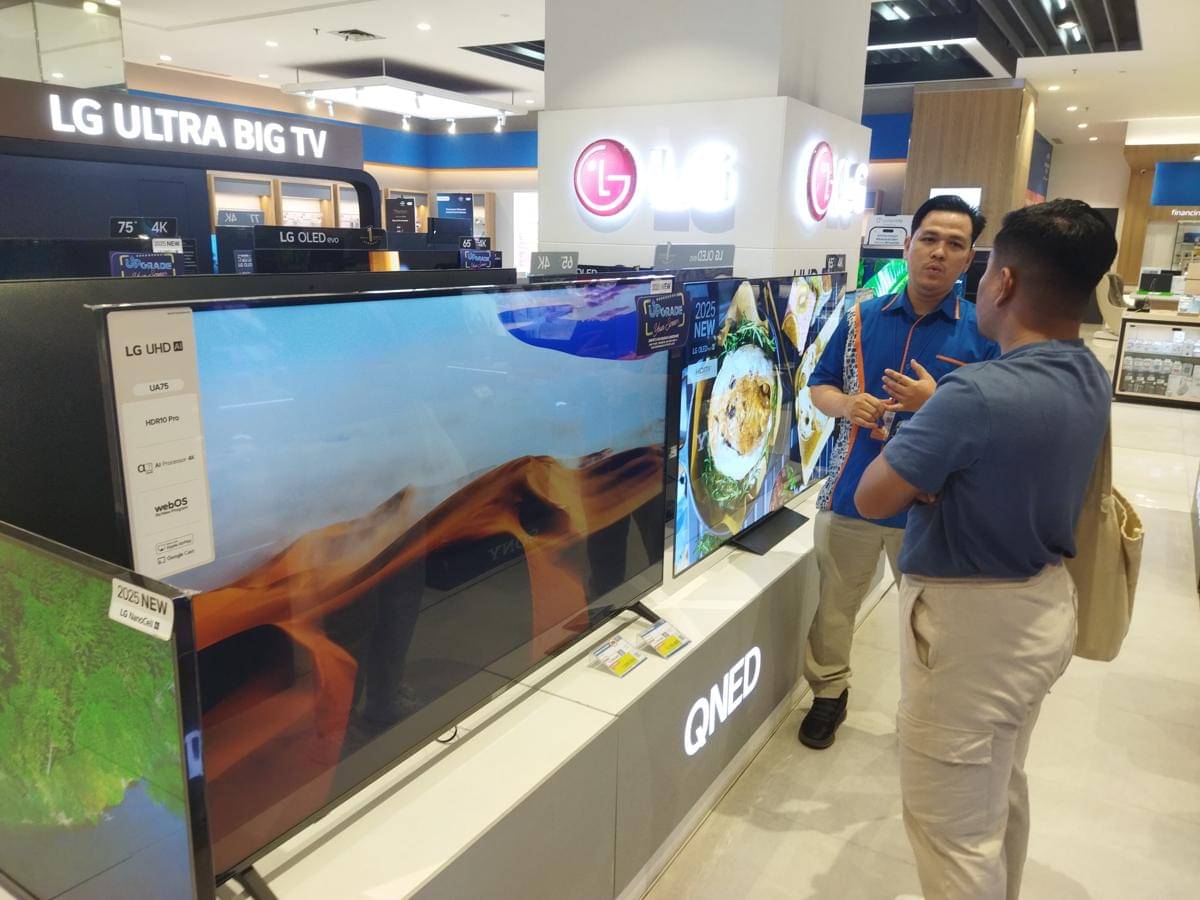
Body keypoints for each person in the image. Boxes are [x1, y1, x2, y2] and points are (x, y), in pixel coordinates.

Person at [854, 199, 1116, 900]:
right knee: (999, 789)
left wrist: (930, 466)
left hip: (970, 634)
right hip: (1040, 607)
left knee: (952, 835)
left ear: (1002, 281)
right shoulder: (1087, 371)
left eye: (980, 258)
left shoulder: (974, 394)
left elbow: (874, 497)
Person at [798, 194, 999, 749]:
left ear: (969, 259)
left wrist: (936, 402)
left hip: (933, 505)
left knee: (932, 622)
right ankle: (828, 693)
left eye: (954, 244)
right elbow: (818, 386)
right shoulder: (860, 316)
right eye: (929, 239)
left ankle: (929, 712)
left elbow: (997, 420)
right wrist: (846, 405)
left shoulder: (982, 332)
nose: (938, 253)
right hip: (850, 493)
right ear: (907, 245)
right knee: (834, 607)